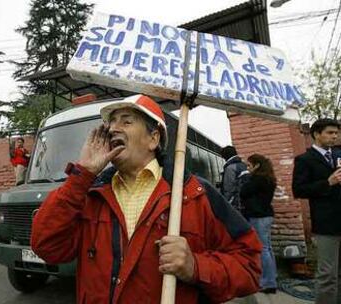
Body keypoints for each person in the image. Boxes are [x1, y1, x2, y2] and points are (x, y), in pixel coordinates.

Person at [31, 94, 262, 304]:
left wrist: (195, 266)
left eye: (126, 121)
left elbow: (249, 266)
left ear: (153, 139)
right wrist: (81, 175)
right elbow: (46, 246)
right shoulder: (90, 194)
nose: (113, 129)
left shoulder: (194, 194)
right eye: (111, 122)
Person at [292, 118, 341, 304]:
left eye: (336, 133)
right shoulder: (305, 159)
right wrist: (328, 183)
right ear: (316, 134)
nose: (334, 136)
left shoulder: (338, 154)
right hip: (326, 224)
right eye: (330, 132)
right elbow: (299, 190)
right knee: (327, 274)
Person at [240, 154, 278, 294]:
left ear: (257, 165)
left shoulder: (258, 179)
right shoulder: (268, 178)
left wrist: (245, 179)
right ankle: (271, 277)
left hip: (258, 215)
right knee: (267, 248)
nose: (247, 168)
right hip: (265, 214)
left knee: (262, 249)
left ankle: (267, 282)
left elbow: (244, 192)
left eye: (249, 165)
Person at [220, 145, 248, 213]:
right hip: (246, 203)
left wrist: (226, 205)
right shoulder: (243, 165)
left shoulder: (230, 168)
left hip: (237, 205)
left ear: (225, 156)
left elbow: (229, 189)